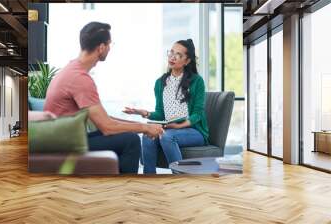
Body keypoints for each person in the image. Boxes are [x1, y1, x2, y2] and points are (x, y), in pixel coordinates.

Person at [43, 22, 164, 174]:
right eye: (109, 44)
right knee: (131, 141)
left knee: (128, 135)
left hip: (66, 139)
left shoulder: (72, 69)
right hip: (65, 145)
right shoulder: (79, 78)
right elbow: (107, 127)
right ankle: (125, 192)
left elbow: (105, 119)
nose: (109, 47)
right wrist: (145, 128)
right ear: (101, 47)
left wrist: (143, 127)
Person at [123, 39, 209, 174]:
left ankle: (180, 178)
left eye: (179, 55)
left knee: (167, 136)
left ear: (187, 61)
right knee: (147, 135)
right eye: (171, 52)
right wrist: (144, 113)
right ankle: (149, 179)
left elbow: (197, 114)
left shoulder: (197, 81)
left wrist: (179, 126)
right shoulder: (160, 83)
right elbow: (160, 114)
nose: (172, 57)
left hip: (193, 131)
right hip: (169, 128)